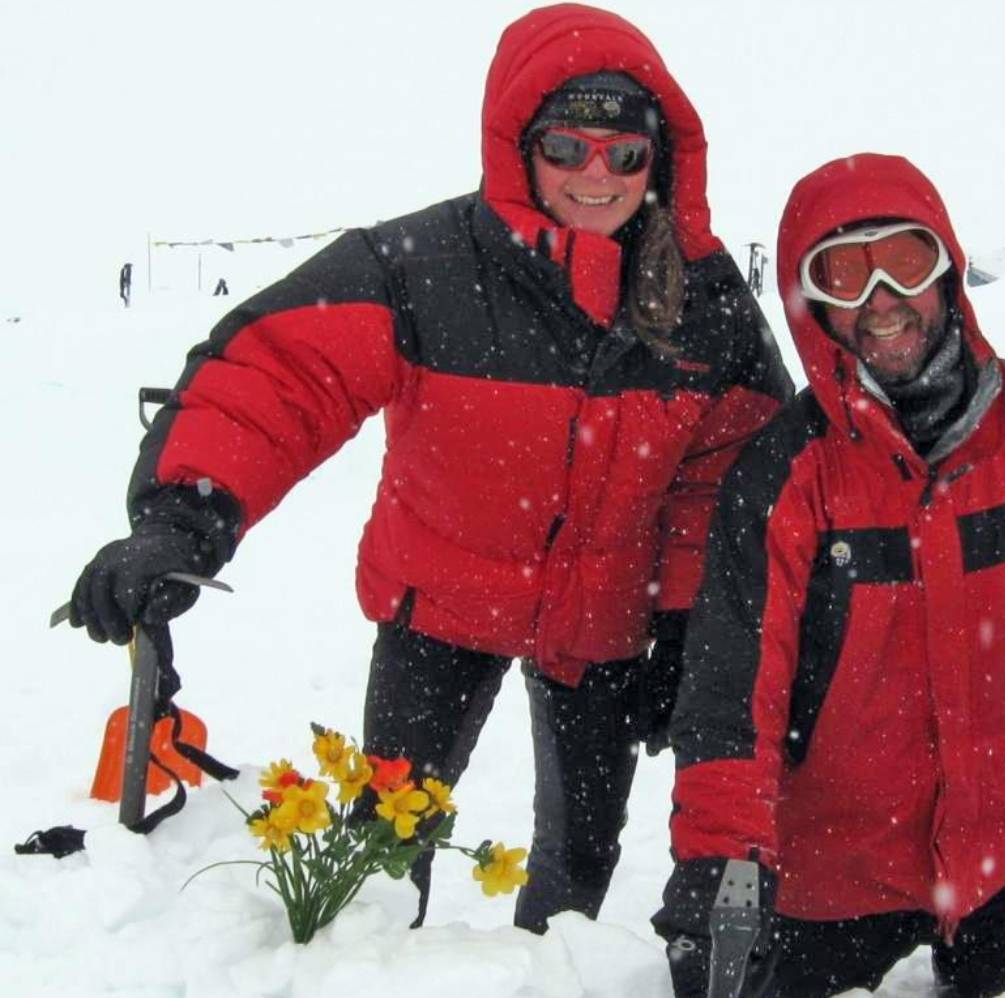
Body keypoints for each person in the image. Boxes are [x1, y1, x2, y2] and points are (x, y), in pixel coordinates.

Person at [66, 4, 791, 934]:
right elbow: (279, 377)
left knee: (581, 858)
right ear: (517, 145)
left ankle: (543, 975)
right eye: (567, 147)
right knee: (386, 842)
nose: (596, 175)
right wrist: (183, 513)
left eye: (624, 152)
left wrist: (690, 626)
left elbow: (728, 477)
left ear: (662, 157)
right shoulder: (424, 265)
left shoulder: (705, 298)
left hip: (603, 624)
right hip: (438, 608)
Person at [653, 154, 1005, 997]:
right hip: (838, 870)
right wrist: (721, 870)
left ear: (948, 270)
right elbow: (735, 698)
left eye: (907, 262)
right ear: (811, 306)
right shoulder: (786, 472)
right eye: (844, 274)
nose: (881, 300)